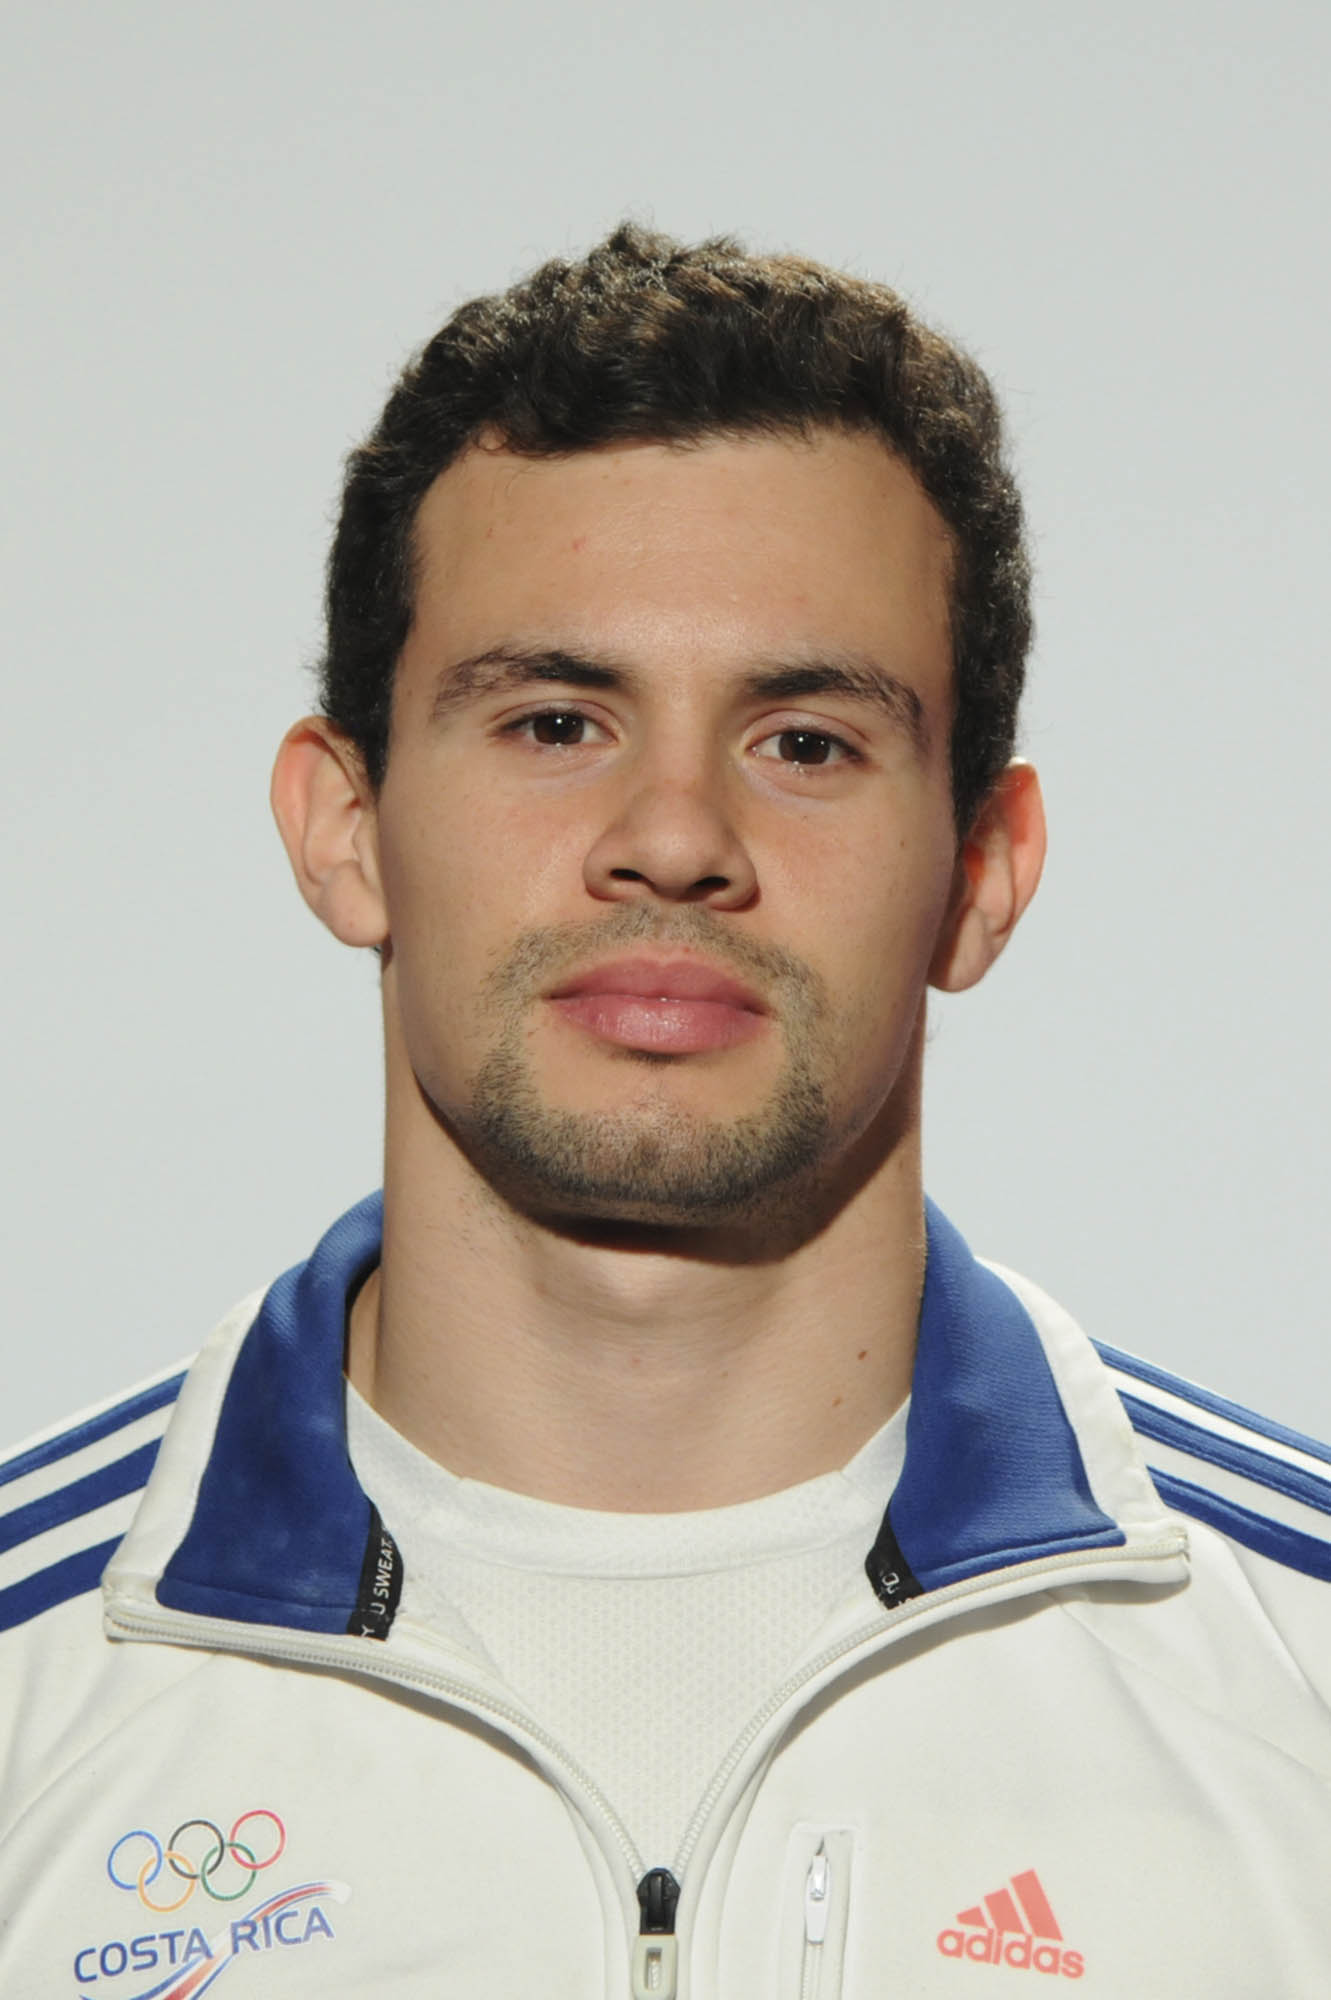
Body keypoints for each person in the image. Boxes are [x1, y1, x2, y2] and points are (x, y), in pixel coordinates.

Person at [2, 222, 1329, 1999]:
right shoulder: (33, 1681)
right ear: (345, 830)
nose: (677, 839)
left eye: (807, 742)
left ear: (983, 873)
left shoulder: (1297, 1676)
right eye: (556, 723)